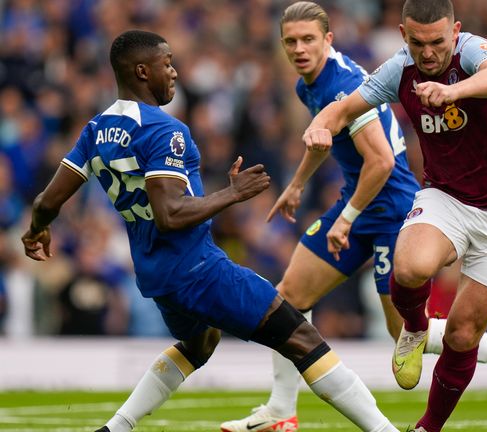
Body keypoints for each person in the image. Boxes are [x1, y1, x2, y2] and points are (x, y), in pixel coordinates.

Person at [20, 29, 399, 432]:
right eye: (167, 64)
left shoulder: (96, 129)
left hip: (156, 274)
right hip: (198, 269)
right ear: (142, 71)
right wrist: (232, 195)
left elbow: (47, 201)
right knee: (301, 338)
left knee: (201, 344)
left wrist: (37, 230)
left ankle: (115, 428)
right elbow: (170, 214)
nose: (175, 73)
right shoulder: (164, 131)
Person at [220, 2, 487, 432]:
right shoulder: (321, 84)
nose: (299, 49)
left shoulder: (466, 53)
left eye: (308, 39)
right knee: (291, 295)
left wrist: (452, 92)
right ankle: (281, 411)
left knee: (436, 331)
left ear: (328, 40)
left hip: (390, 206)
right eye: (291, 41)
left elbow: (383, 161)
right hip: (415, 197)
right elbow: (332, 121)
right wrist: (299, 180)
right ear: (402, 36)